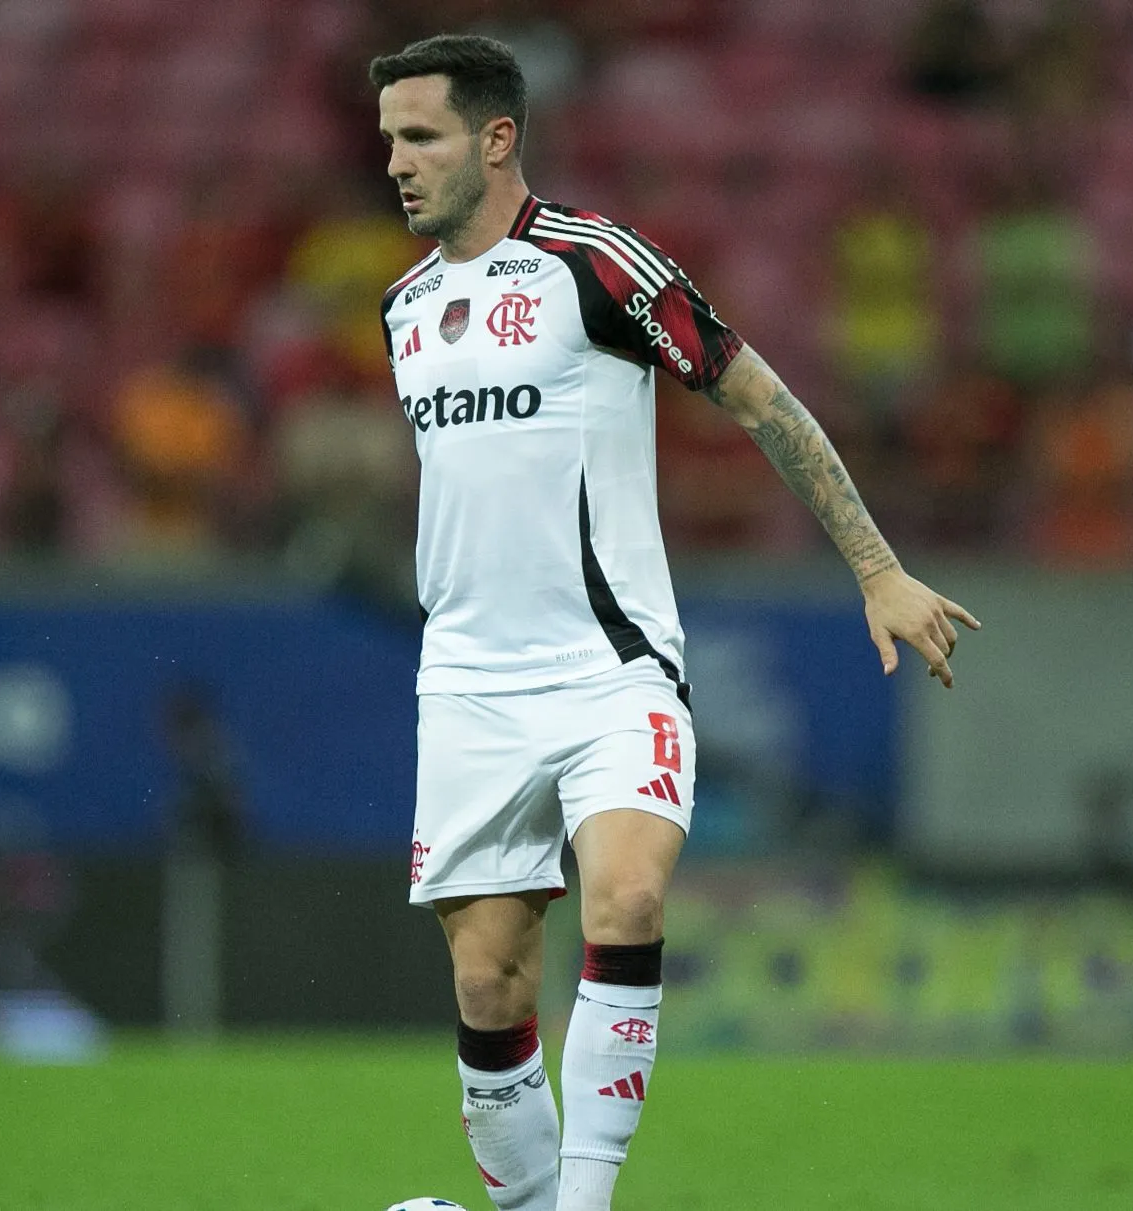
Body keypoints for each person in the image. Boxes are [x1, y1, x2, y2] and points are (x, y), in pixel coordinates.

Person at [369, 35, 979, 1211]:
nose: (393, 161)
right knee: (490, 982)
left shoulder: (596, 264)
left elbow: (757, 397)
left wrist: (876, 566)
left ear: (496, 139)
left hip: (612, 668)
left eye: (420, 136)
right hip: (466, 686)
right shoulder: (401, 310)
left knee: (629, 900)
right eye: (388, 137)